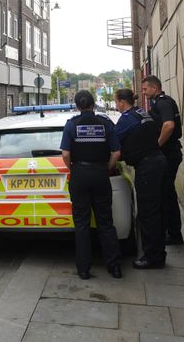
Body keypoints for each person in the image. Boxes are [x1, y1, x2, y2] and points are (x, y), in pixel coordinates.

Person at [60, 89, 122, 280]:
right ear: (93, 104)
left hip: (80, 175)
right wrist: (107, 169)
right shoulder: (105, 123)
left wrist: (73, 169)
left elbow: (65, 154)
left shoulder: (71, 125)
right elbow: (116, 153)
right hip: (100, 174)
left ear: (77, 106)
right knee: (105, 222)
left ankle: (84, 269)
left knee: (81, 224)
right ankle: (114, 268)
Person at [114, 88, 167, 269]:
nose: (116, 105)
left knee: (147, 213)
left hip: (147, 167)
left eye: (116, 101)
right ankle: (158, 253)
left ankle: (152, 257)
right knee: (156, 210)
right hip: (157, 161)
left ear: (121, 102)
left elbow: (112, 142)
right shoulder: (142, 113)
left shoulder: (127, 119)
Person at [141, 75, 184, 245]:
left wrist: (157, 145)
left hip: (168, 153)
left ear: (155, 88)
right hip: (168, 153)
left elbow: (169, 125)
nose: (143, 93)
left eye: (145, 89)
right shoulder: (158, 102)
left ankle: (174, 233)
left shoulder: (162, 102)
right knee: (167, 193)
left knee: (166, 194)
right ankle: (172, 232)